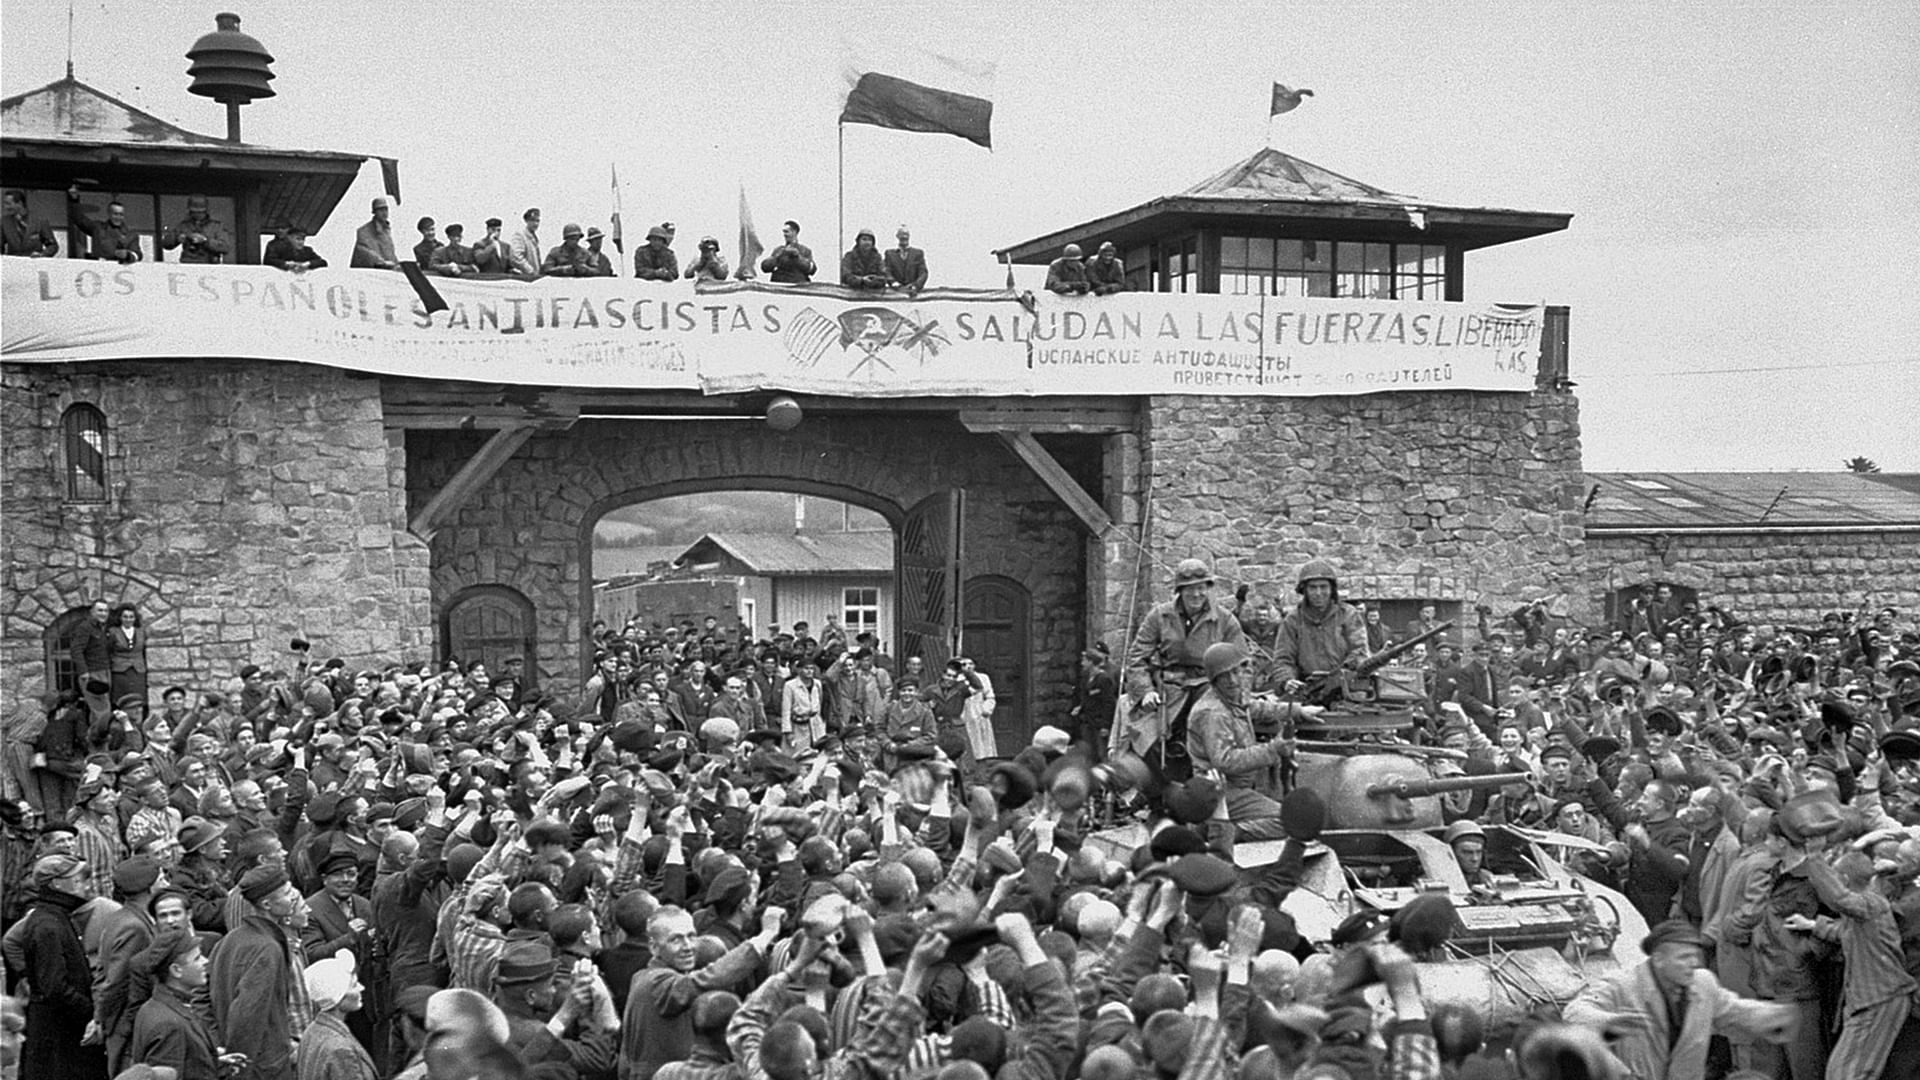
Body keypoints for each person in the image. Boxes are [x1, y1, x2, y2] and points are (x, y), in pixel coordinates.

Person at [1564, 920, 1798, 1080]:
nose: (1693, 963)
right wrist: (1609, 1022)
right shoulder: (1623, 984)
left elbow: (1732, 1011)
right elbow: (1574, 1012)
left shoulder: (1703, 983)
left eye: (1694, 957)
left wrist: (1773, 1016)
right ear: (1659, 959)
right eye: (1683, 958)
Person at [1124, 558, 1246, 786]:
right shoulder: (1159, 616)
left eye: (1202, 588)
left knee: (1214, 730)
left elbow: (1242, 662)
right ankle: (1161, 790)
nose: (1197, 595)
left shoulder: (1225, 619)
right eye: (1190, 589)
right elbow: (1136, 658)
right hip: (1171, 687)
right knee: (1146, 737)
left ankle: (1209, 788)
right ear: (1180, 591)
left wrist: (1237, 695)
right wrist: (1145, 691)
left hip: (1211, 686)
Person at [209, 865, 311, 1080]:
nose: (292, 898)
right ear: (267, 904)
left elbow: (202, 998)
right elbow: (247, 1015)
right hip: (263, 1068)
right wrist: (240, 1066)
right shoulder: (268, 949)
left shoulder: (228, 940)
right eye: (286, 894)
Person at [1185, 642, 1293, 838]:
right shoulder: (1213, 712)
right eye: (1225, 676)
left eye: (1236, 672)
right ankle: (1225, 834)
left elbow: (1255, 708)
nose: (1233, 680)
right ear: (1214, 680)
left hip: (1239, 786)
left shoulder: (1231, 698)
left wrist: (1296, 710)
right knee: (1288, 821)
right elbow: (1224, 760)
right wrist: (1273, 750)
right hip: (1219, 790)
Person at [15, 854, 108, 1080]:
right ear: (57, 884)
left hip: (59, 1029)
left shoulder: (54, 917)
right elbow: (55, 987)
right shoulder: (48, 925)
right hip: (57, 1035)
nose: (86, 886)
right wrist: (90, 1012)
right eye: (79, 880)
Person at [128, 927, 238, 1080]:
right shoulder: (168, 1025)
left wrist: (211, 1061)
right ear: (176, 970)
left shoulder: (160, 1007)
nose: (205, 962)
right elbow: (167, 1075)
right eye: (197, 958)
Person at [1271, 560, 1368, 695]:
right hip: (1307, 689)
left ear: (1331, 589)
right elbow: (1283, 658)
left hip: (1346, 688)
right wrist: (1287, 680)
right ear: (1304, 590)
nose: (1318, 593)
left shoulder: (1348, 615)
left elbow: (1360, 651)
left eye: (1323, 587)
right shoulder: (1292, 621)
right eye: (1312, 587)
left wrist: (1341, 673)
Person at [297, 951, 376, 1080]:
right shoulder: (341, 1050)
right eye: (354, 985)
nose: (361, 988)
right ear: (338, 997)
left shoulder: (312, 1031)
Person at [67, 187, 142, 263]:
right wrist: (74, 200)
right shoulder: (98, 228)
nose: (118, 217)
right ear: (109, 214)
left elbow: (138, 255)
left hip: (120, 270)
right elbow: (79, 219)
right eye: (115, 214)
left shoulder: (131, 235)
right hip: (99, 269)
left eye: (121, 214)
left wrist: (128, 255)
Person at [71, 599, 114, 726]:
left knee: (98, 711)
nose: (103, 613)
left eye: (106, 611)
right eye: (100, 610)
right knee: (102, 712)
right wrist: (83, 671)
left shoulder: (102, 628)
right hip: (92, 673)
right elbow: (76, 649)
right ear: (92, 612)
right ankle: (101, 742)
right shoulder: (85, 627)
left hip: (104, 672)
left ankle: (94, 741)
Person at [159, 195, 232, 264]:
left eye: (200, 212)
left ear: (205, 211)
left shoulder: (216, 226)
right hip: (188, 263)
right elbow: (166, 244)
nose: (197, 215)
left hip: (209, 265)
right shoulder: (184, 225)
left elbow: (225, 247)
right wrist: (177, 239)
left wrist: (205, 241)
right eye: (194, 212)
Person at [108, 603, 147, 714]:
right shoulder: (113, 632)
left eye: (131, 617)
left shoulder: (141, 632)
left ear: (135, 618)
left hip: (137, 671)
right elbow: (108, 650)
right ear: (120, 618)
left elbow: (144, 650)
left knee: (138, 699)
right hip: (120, 672)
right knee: (121, 699)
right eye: (125, 617)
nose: (128, 619)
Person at [2, 188, 58, 256]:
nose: (5, 207)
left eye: (8, 204)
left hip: (34, 263)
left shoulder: (40, 221)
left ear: (20, 203)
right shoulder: (4, 222)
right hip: (13, 264)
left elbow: (52, 246)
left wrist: (42, 254)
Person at [350, 197, 399, 270]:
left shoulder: (386, 231)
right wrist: (382, 262)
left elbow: (390, 254)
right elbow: (364, 252)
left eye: (386, 209)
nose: (384, 213)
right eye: (381, 210)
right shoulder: (363, 231)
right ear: (375, 212)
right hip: (372, 272)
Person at [264, 224, 328, 271]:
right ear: (290, 239)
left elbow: (323, 262)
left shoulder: (308, 250)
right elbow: (268, 261)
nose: (301, 242)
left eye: (303, 239)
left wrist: (308, 264)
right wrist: (285, 264)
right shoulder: (281, 249)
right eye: (298, 239)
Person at [885, 226, 928, 293]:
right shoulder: (890, 254)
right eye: (901, 234)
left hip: (913, 291)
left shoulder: (918, 253)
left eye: (906, 234)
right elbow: (887, 271)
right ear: (897, 236)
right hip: (895, 291)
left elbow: (923, 272)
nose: (904, 237)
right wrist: (894, 283)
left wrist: (915, 285)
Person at [509, 208, 543, 276]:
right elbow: (516, 256)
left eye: (537, 221)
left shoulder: (534, 237)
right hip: (523, 277)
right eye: (532, 220)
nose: (535, 224)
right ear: (526, 221)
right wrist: (530, 271)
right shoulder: (520, 235)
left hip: (533, 277)